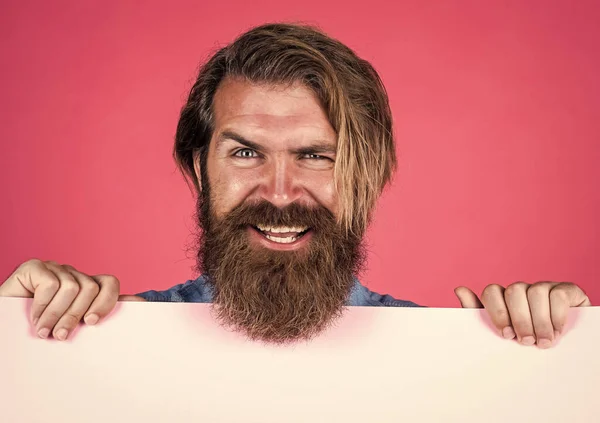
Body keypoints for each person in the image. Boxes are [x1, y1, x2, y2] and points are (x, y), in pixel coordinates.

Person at [0, 23, 591, 346]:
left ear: (370, 172)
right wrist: (10, 340)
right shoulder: (97, 343)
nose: (280, 193)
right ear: (201, 167)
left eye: (315, 155)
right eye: (246, 152)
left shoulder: (448, 353)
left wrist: (564, 362)